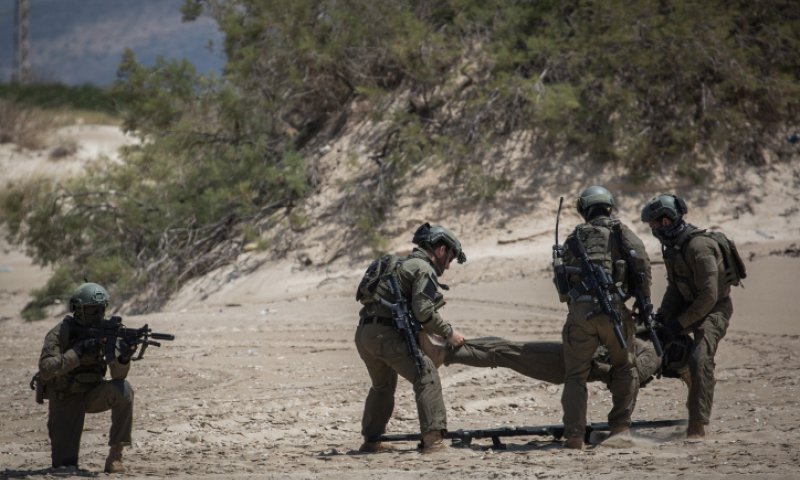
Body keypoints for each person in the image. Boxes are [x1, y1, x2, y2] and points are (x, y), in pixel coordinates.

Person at [355, 223, 467, 453]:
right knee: (426, 375)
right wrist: (449, 333)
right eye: (451, 257)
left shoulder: (400, 263)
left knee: (382, 386)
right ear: (441, 250)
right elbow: (424, 312)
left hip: (365, 334)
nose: (449, 264)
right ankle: (434, 440)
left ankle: (372, 440)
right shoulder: (423, 269)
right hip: (384, 334)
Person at [555, 186, 651, 449]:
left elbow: (562, 280)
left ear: (584, 209)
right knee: (625, 366)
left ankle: (574, 437)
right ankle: (619, 430)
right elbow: (641, 263)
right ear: (608, 206)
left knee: (575, 375)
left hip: (580, 313)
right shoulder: (620, 232)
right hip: (614, 311)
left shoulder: (574, 237)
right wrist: (643, 300)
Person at [641, 194, 734, 438]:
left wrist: (678, 325)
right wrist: (663, 319)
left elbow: (708, 298)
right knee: (654, 338)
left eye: (653, 224)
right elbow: (674, 287)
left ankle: (697, 426)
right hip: (689, 304)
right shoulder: (673, 248)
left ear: (665, 221)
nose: (652, 230)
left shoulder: (699, 247)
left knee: (700, 358)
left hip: (714, 309)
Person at [35, 283, 136, 473]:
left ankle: (116, 455)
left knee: (124, 390)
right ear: (77, 309)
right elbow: (46, 369)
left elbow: (118, 375)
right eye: (91, 309)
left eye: (101, 309)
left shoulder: (107, 332)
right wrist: (78, 353)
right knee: (65, 466)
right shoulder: (60, 332)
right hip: (65, 397)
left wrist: (123, 357)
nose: (97, 314)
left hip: (93, 393)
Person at [421, 333, 664, 389]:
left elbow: (624, 381)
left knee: (506, 352)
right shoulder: (641, 344)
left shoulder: (650, 351)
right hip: (575, 359)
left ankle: (444, 353)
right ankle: (446, 347)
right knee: (505, 349)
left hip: (569, 365)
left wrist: (597, 368)